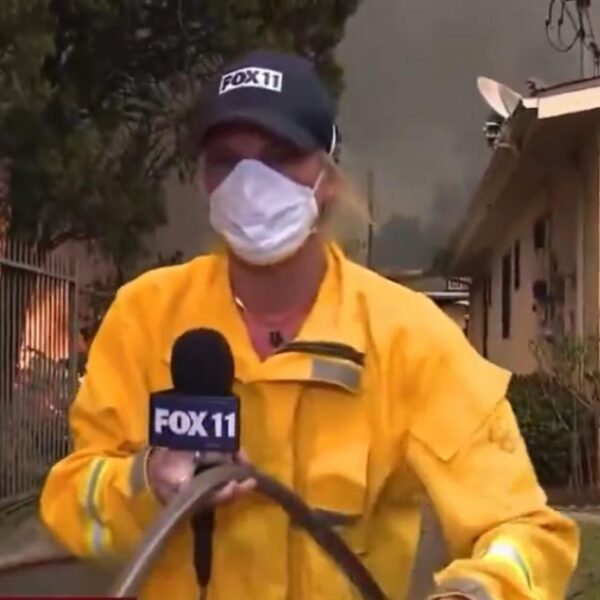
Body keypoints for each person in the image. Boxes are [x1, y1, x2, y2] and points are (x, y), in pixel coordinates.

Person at [39, 49, 579, 600]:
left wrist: (477, 593)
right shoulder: (144, 318)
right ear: (202, 179)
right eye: (226, 159)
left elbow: (527, 531)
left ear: (327, 177)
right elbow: (71, 504)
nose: (251, 182)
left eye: (280, 156)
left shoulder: (409, 339)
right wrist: (147, 479)